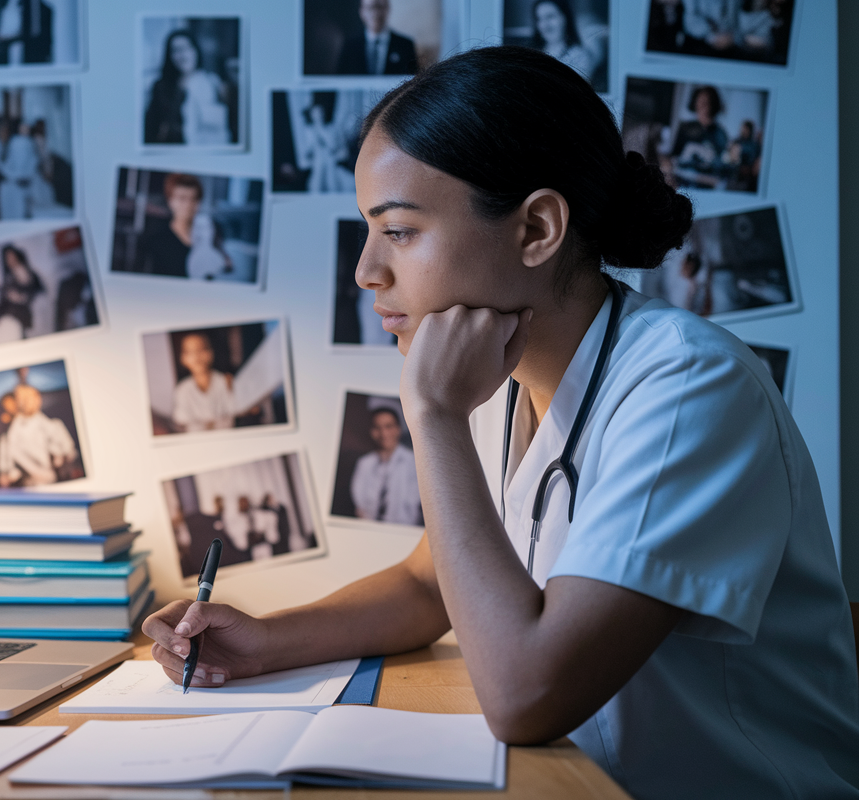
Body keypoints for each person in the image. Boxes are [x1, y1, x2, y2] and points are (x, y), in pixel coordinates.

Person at [142, 46, 859, 799]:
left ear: (537, 228)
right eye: (369, 230)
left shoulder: (689, 387)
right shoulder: (510, 379)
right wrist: (265, 641)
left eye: (400, 231)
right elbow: (430, 582)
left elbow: (525, 695)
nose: (365, 272)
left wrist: (436, 416)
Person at [143, 30, 231, 146]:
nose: (183, 55)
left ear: (195, 50)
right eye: (176, 50)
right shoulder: (160, 87)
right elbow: (150, 129)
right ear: (169, 56)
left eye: (187, 48)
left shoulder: (213, 83)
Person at [349, 407, 422, 525]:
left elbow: (415, 505)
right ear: (371, 431)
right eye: (378, 428)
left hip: (403, 532)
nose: (384, 434)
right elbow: (360, 504)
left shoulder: (414, 462)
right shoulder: (364, 463)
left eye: (388, 426)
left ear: (398, 429)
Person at [0, 383, 77, 486]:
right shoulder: (8, 436)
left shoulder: (53, 425)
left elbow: (69, 452)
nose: (26, 402)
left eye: (32, 396)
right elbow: (6, 467)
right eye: (21, 398)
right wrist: (10, 475)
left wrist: (61, 458)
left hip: (57, 482)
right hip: (30, 486)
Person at [134, 173, 206, 277]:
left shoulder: (210, 238)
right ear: (170, 201)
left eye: (194, 199)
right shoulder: (155, 242)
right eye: (182, 198)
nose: (188, 205)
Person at [171, 332, 237, 433]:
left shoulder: (225, 382)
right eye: (190, 352)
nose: (196, 356)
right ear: (183, 358)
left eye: (201, 349)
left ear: (210, 353)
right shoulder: (182, 389)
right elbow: (182, 421)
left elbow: (233, 412)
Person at [666, 85, 729, 189]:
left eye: (706, 102)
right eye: (699, 101)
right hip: (680, 185)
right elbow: (672, 157)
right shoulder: (684, 128)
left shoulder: (721, 134)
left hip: (706, 188)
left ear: (713, 104)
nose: (702, 106)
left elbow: (720, 169)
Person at [334, 0, 419, 76]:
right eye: (370, 7)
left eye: (380, 7)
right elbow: (339, 80)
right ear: (362, 11)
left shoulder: (405, 45)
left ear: (387, 9)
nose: (376, 13)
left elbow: (414, 81)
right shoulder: (350, 46)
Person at [0, 244, 44, 344]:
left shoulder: (25, 272)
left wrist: (19, 297)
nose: (10, 260)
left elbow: (30, 291)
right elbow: (3, 296)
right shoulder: (8, 277)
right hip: (6, 313)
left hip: (21, 313)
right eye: (7, 258)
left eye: (12, 256)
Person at [0, 118, 39, 219]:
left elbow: (28, 165)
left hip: (17, 188)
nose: (4, 133)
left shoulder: (19, 143)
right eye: (1, 130)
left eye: (6, 130)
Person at [528, 0, 595, 82]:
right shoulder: (530, 54)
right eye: (539, 19)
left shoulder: (579, 57)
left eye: (550, 16)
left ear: (565, 17)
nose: (544, 25)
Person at [299, 103, 352, 194]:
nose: (319, 115)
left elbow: (339, 150)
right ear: (311, 115)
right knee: (316, 188)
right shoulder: (309, 131)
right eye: (315, 114)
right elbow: (305, 157)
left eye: (320, 113)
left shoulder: (331, 129)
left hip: (331, 164)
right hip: (318, 165)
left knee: (333, 187)